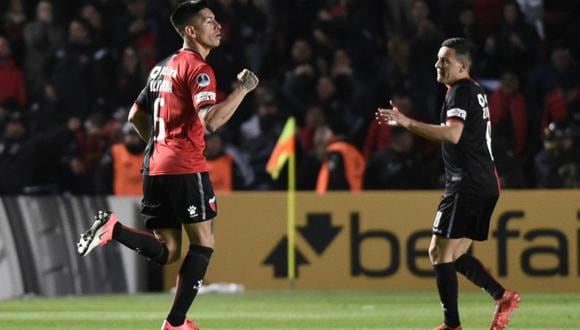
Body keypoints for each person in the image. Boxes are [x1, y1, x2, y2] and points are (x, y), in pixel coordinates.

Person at [76, 1, 259, 330]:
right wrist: (242, 90)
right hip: (184, 165)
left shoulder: (161, 67)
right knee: (203, 243)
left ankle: (113, 229)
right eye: (208, 21)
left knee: (169, 250)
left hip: (154, 166)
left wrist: (159, 145)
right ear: (191, 31)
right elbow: (212, 121)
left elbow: (135, 116)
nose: (217, 25)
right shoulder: (198, 69)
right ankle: (175, 324)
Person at [376, 37, 520, 330]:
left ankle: (451, 325)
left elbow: (453, 134)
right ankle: (503, 297)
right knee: (453, 254)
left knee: (438, 253)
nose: (438, 65)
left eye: (445, 60)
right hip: (485, 183)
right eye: (438, 59)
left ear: (463, 66)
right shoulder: (475, 91)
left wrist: (407, 122)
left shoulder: (460, 92)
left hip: (467, 184)